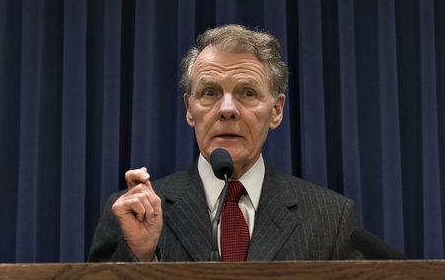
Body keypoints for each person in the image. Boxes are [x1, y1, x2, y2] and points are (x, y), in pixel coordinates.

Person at [88, 24, 394, 263]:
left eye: (247, 93)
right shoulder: (133, 213)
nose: (227, 109)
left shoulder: (330, 217)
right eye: (210, 93)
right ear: (189, 110)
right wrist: (139, 256)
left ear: (276, 110)